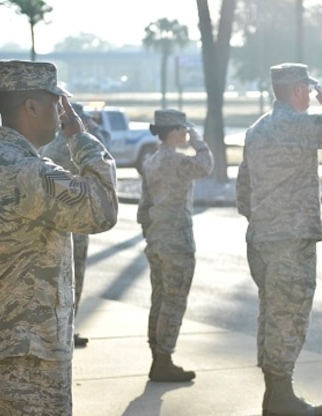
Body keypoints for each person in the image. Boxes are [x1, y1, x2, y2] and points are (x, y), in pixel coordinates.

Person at [0, 60, 118, 416]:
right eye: (56, 104)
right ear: (32, 107)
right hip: (28, 362)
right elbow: (103, 209)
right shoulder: (33, 173)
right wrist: (80, 139)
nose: (60, 113)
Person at [235, 62, 322, 416]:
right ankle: (281, 398)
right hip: (291, 240)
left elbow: (244, 187)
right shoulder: (297, 125)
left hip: (261, 238)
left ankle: (276, 394)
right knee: (288, 317)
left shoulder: (256, 130)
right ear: (300, 90)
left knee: (272, 314)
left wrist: (260, 218)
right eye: (308, 87)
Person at [136, 109, 213, 382]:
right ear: (176, 131)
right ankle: (164, 359)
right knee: (174, 300)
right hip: (176, 241)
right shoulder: (176, 161)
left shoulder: (153, 161)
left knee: (160, 298)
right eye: (183, 128)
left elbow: (144, 205)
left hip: (157, 238)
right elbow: (206, 164)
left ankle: (158, 355)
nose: (186, 133)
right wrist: (198, 140)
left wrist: (150, 232)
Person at [39, 102, 109, 348]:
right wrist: (87, 132)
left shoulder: (48, 144)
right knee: (74, 278)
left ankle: (59, 327)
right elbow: (101, 157)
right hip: (76, 221)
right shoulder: (73, 146)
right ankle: (68, 328)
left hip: (52, 221)